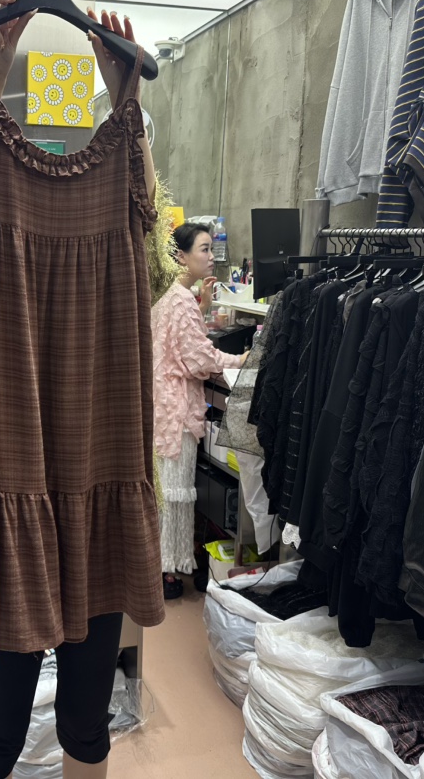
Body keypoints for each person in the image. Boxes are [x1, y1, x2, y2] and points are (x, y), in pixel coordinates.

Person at [0, 0, 161, 779]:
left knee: (85, 725)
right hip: (13, 462)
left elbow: (156, 254)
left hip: (101, 461)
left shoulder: (128, 172)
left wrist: (124, 97)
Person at [151, 223, 246, 599]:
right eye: (204, 249)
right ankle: (165, 572)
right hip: (175, 410)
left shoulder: (171, 294)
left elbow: (181, 343)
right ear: (181, 256)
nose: (211, 256)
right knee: (173, 495)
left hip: (162, 405)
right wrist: (241, 359)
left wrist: (201, 308)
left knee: (165, 493)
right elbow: (198, 359)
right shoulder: (179, 299)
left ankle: (160, 567)